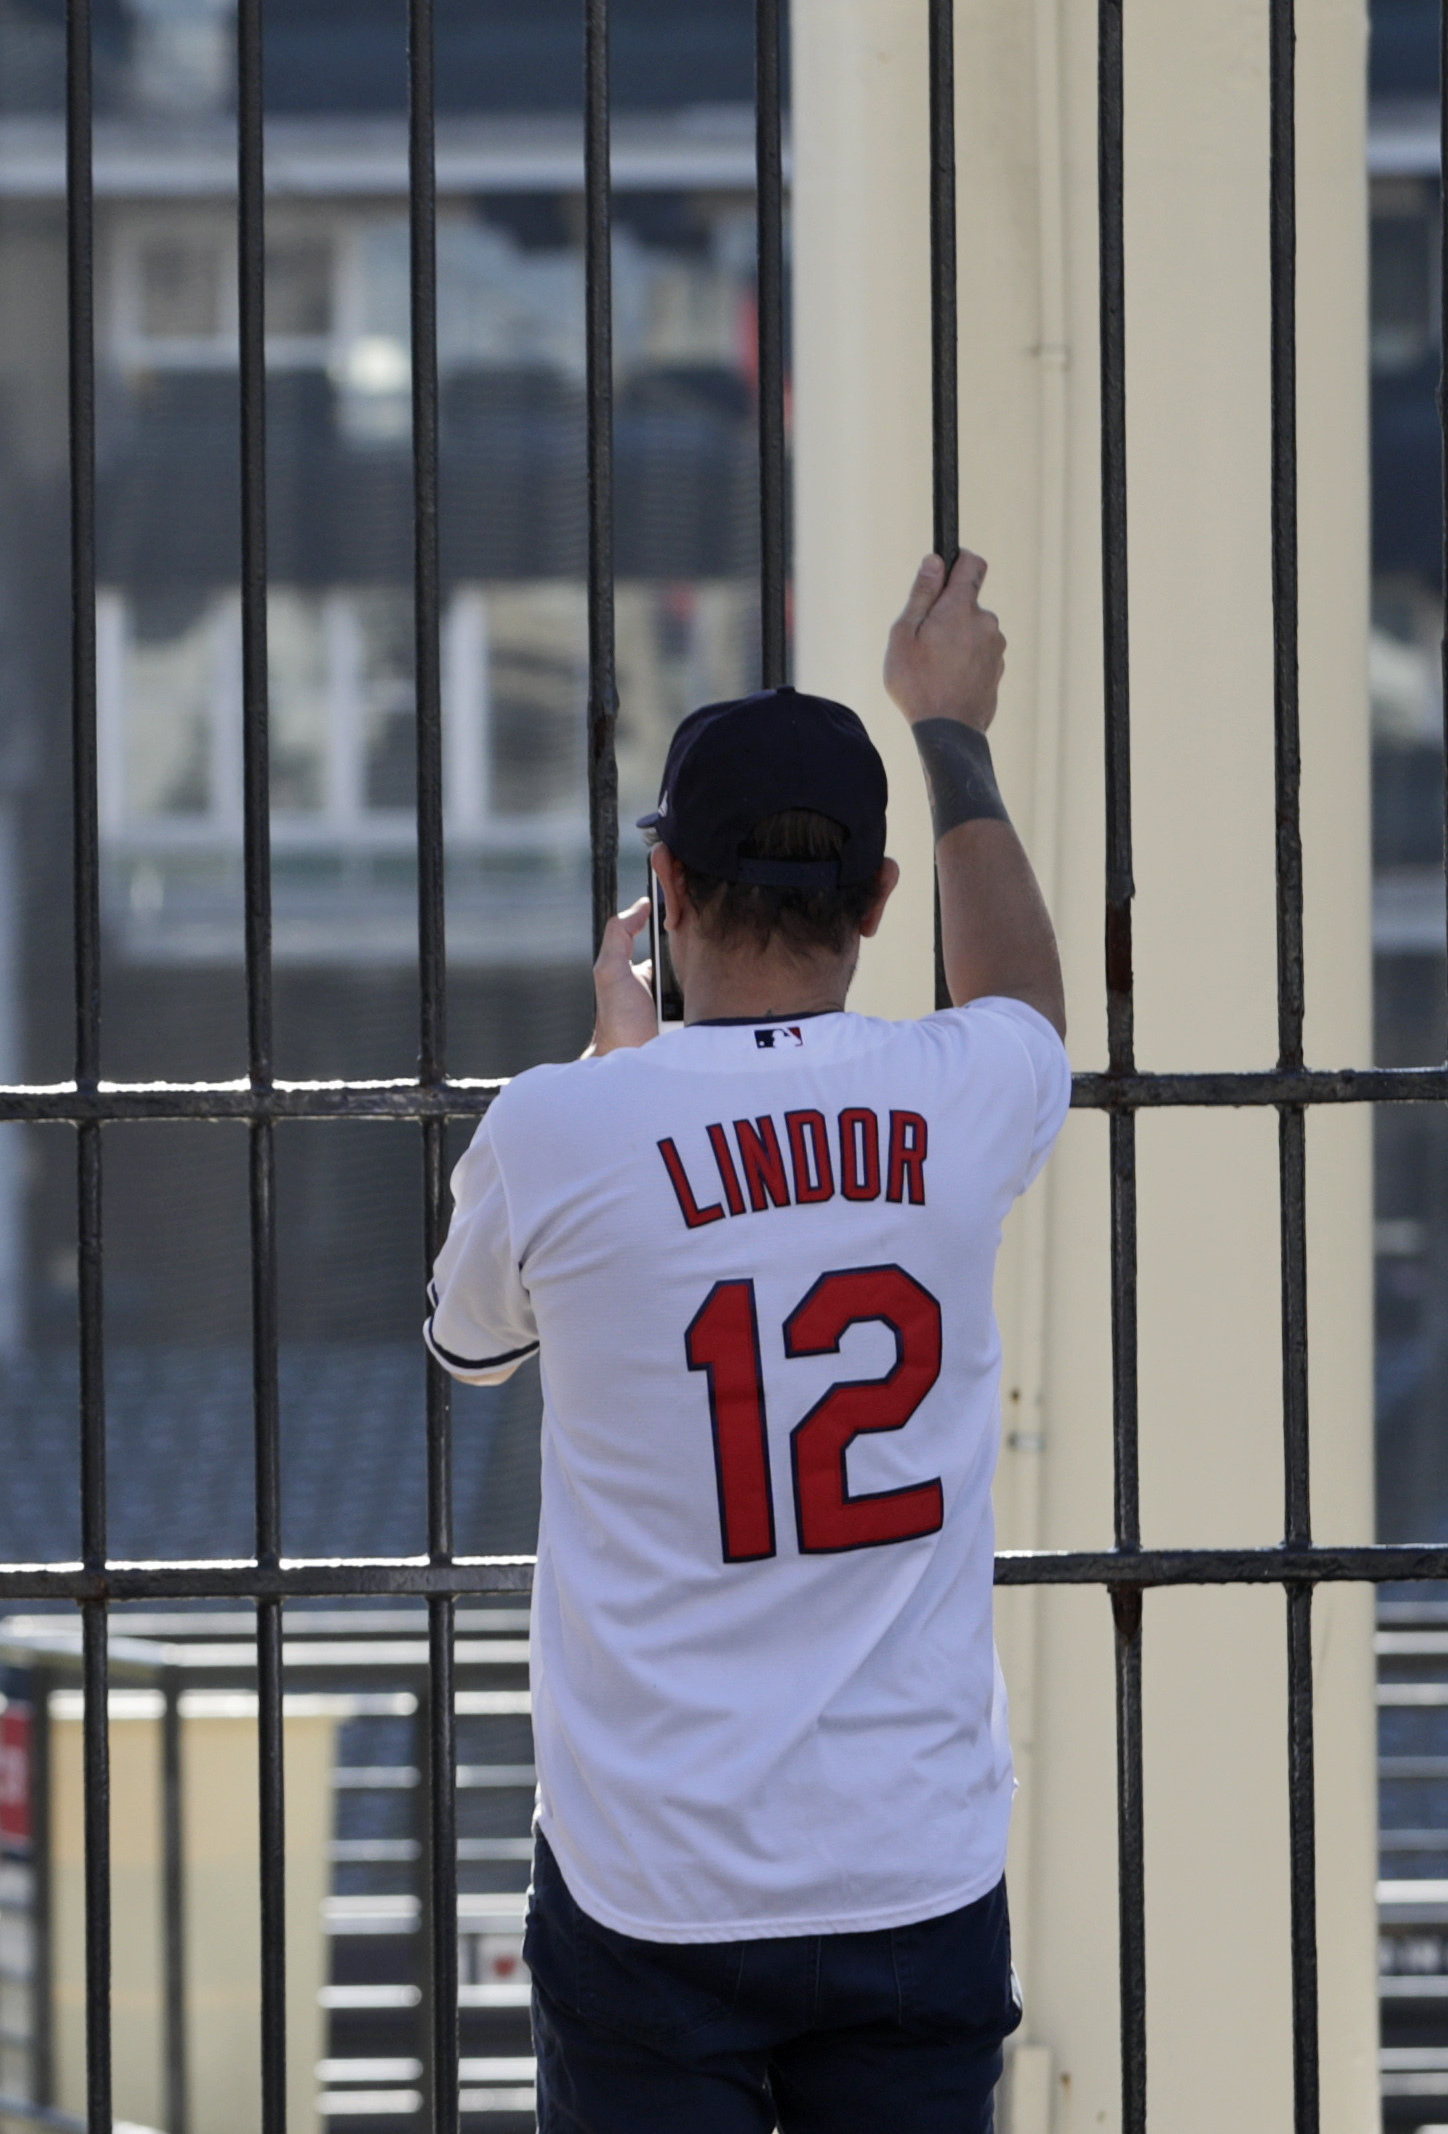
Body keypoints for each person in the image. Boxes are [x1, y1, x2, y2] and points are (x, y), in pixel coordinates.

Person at [424, 551, 1066, 2130]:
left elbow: (466, 1347)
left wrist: (609, 1053)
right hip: (911, 1863)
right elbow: (1029, 1001)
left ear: (668, 895)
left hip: (655, 1878)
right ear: (875, 903)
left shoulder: (563, 1127)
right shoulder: (958, 1094)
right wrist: (951, 729)